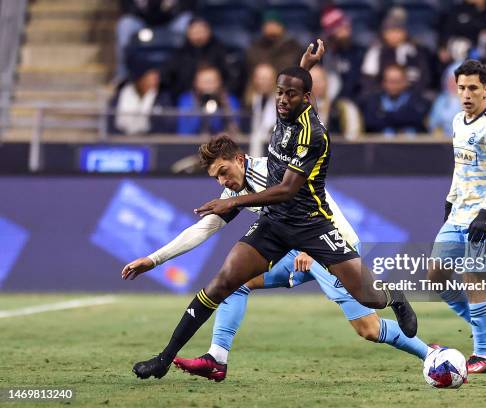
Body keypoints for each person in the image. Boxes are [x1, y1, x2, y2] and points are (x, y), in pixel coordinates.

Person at [124, 41, 418, 379]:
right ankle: (165, 359)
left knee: (369, 303)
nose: (281, 99)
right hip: (275, 224)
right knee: (223, 283)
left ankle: (394, 296)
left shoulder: (312, 135)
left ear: (305, 98)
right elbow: (205, 228)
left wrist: (231, 202)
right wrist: (154, 259)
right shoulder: (283, 113)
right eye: (279, 92)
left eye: (289, 95)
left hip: (314, 227)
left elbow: (287, 190)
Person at [123, 136, 434, 381]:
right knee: (232, 283)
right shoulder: (236, 192)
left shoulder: (276, 172)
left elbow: (323, 214)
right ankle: (208, 358)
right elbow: (203, 229)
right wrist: (154, 259)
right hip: (290, 249)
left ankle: (418, 335)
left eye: (224, 172)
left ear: (239, 159)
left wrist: (312, 250)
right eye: (215, 177)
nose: (222, 182)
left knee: (369, 324)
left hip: (326, 245)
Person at [427, 60, 486, 374]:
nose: (465, 94)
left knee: (471, 276)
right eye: (461, 87)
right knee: (435, 276)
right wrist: (450, 200)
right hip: (460, 210)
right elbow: (460, 167)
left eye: (472, 88)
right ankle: (485, 326)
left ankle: (481, 355)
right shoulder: (457, 120)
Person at [116, 0, 194, 80]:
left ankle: (188, 76)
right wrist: (145, 7)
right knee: (126, 24)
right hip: (142, 22)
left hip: (172, 22)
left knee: (186, 20)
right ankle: (123, 77)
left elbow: (187, 6)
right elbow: (127, 7)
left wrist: (169, 7)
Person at [361, 7, 431, 94]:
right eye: (390, 31)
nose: (394, 35)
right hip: (383, 98)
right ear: (384, 34)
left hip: (414, 97)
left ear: (405, 32)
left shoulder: (417, 51)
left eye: (398, 30)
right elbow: (368, 81)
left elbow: (424, 78)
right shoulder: (376, 52)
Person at [163, 17, 228, 101]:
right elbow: (169, 77)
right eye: (195, 31)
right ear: (188, 33)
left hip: (217, 97)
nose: (198, 35)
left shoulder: (220, 51)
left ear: (209, 31)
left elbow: (228, 77)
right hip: (186, 97)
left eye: (201, 30)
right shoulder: (180, 54)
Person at [361, 64, 430, 136]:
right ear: (383, 83)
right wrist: (402, 117)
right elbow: (370, 122)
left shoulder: (418, 101)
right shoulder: (373, 101)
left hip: (412, 145)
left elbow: (417, 120)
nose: (393, 85)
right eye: (390, 81)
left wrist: (384, 115)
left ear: (405, 82)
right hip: (381, 145)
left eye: (396, 81)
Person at [176, 64, 241, 135]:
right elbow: (184, 132)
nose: (208, 86)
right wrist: (198, 105)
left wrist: (226, 107)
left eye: (212, 82)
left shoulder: (230, 100)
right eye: (205, 82)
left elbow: (237, 133)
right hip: (193, 144)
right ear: (195, 83)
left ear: (220, 82)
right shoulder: (186, 100)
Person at [109, 65, 174, 135]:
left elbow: (167, 123)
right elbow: (110, 119)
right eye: (152, 78)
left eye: (157, 78)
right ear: (141, 79)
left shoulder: (161, 97)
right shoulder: (121, 94)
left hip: (150, 140)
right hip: (122, 139)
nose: (156, 81)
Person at [320, 6, 366, 101]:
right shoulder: (320, 54)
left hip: (352, 101)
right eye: (341, 28)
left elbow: (358, 83)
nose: (347, 31)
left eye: (347, 27)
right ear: (331, 32)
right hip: (324, 102)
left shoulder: (357, 52)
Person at [309, 65, 363, 140]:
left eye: (318, 80)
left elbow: (353, 139)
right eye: (311, 81)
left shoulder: (344, 108)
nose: (315, 85)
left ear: (326, 82)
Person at [246, 10, 302, 75]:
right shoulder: (255, 46)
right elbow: (253, 67)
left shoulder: (292, 46)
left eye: (274, 24)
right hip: (262, 83)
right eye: (268, 24)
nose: (271, 27)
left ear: (281, 26)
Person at [244, 63, 278, 157]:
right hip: (250, 150)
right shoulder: (247, 103)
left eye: (267, 78)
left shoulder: (282, 104)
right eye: (261, 78)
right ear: (254, 79)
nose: (264, 82)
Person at [428, 62, 462, 138]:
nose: (452, 84)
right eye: (450, 80)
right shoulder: (441, 100)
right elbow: (432, 122)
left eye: (456, 81)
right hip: (442, 142)